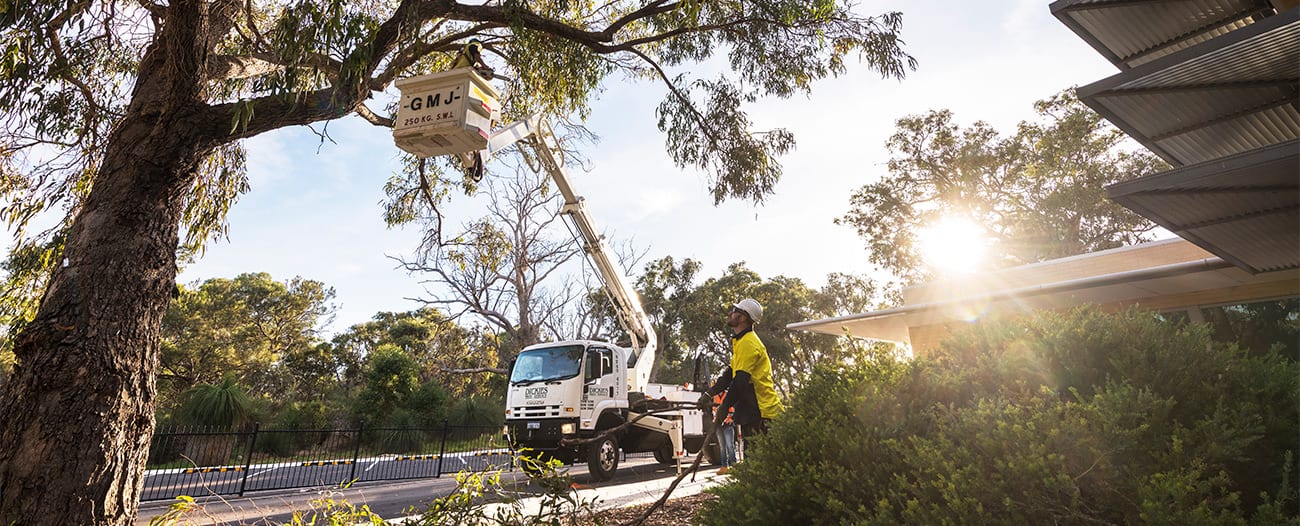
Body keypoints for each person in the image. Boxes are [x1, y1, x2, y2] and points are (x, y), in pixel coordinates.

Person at [706, 298, 783, 451]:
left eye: (735, 311)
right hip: (753, 412)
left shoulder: (749, 343)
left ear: (743, 318)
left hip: (762, 413)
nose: (730, 313)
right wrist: (709, 394)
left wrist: (724, 407)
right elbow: (729, 375)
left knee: (756, 460)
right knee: (752, 460)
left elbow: (740, 381)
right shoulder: (742, 342)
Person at [712, 390, 737, 474]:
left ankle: (734, 466)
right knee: (722, 447)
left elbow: (733, 408)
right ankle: (724, 467)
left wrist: (731, 418)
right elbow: (714, 409)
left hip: (728, 424)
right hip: (718, 424)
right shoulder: (715, 397)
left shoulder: (728, 394)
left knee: (730, 446)